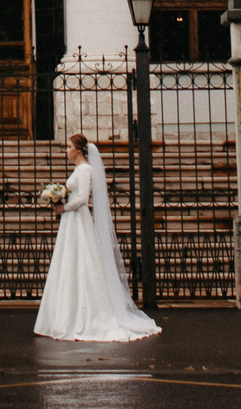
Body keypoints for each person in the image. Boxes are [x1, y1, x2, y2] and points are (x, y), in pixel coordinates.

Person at [34, 133, 159, 342]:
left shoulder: (85, 170)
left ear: (79, 150)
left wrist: (64, 207)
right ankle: (64, 315)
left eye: (69, 147)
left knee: (82, 261)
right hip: (71, 220)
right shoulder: (79, 169)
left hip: (76, 218)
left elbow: (83, 198)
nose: (66, 151)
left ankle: (82, 316)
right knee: (70, 262)